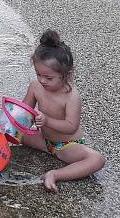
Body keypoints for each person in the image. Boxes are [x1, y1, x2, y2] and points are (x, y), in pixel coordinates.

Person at [20, 30, 106, 193]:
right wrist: (16, 120)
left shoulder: (71, 96)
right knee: (11, 133)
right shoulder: (35, 86)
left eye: (49, 78)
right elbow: (25, 113)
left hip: (66, 146)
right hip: (44, 141)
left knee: (97, 159)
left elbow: (71, 126)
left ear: (65, 75)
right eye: (39, 74)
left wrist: (46, 121)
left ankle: (55, 174)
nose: (42, 80)